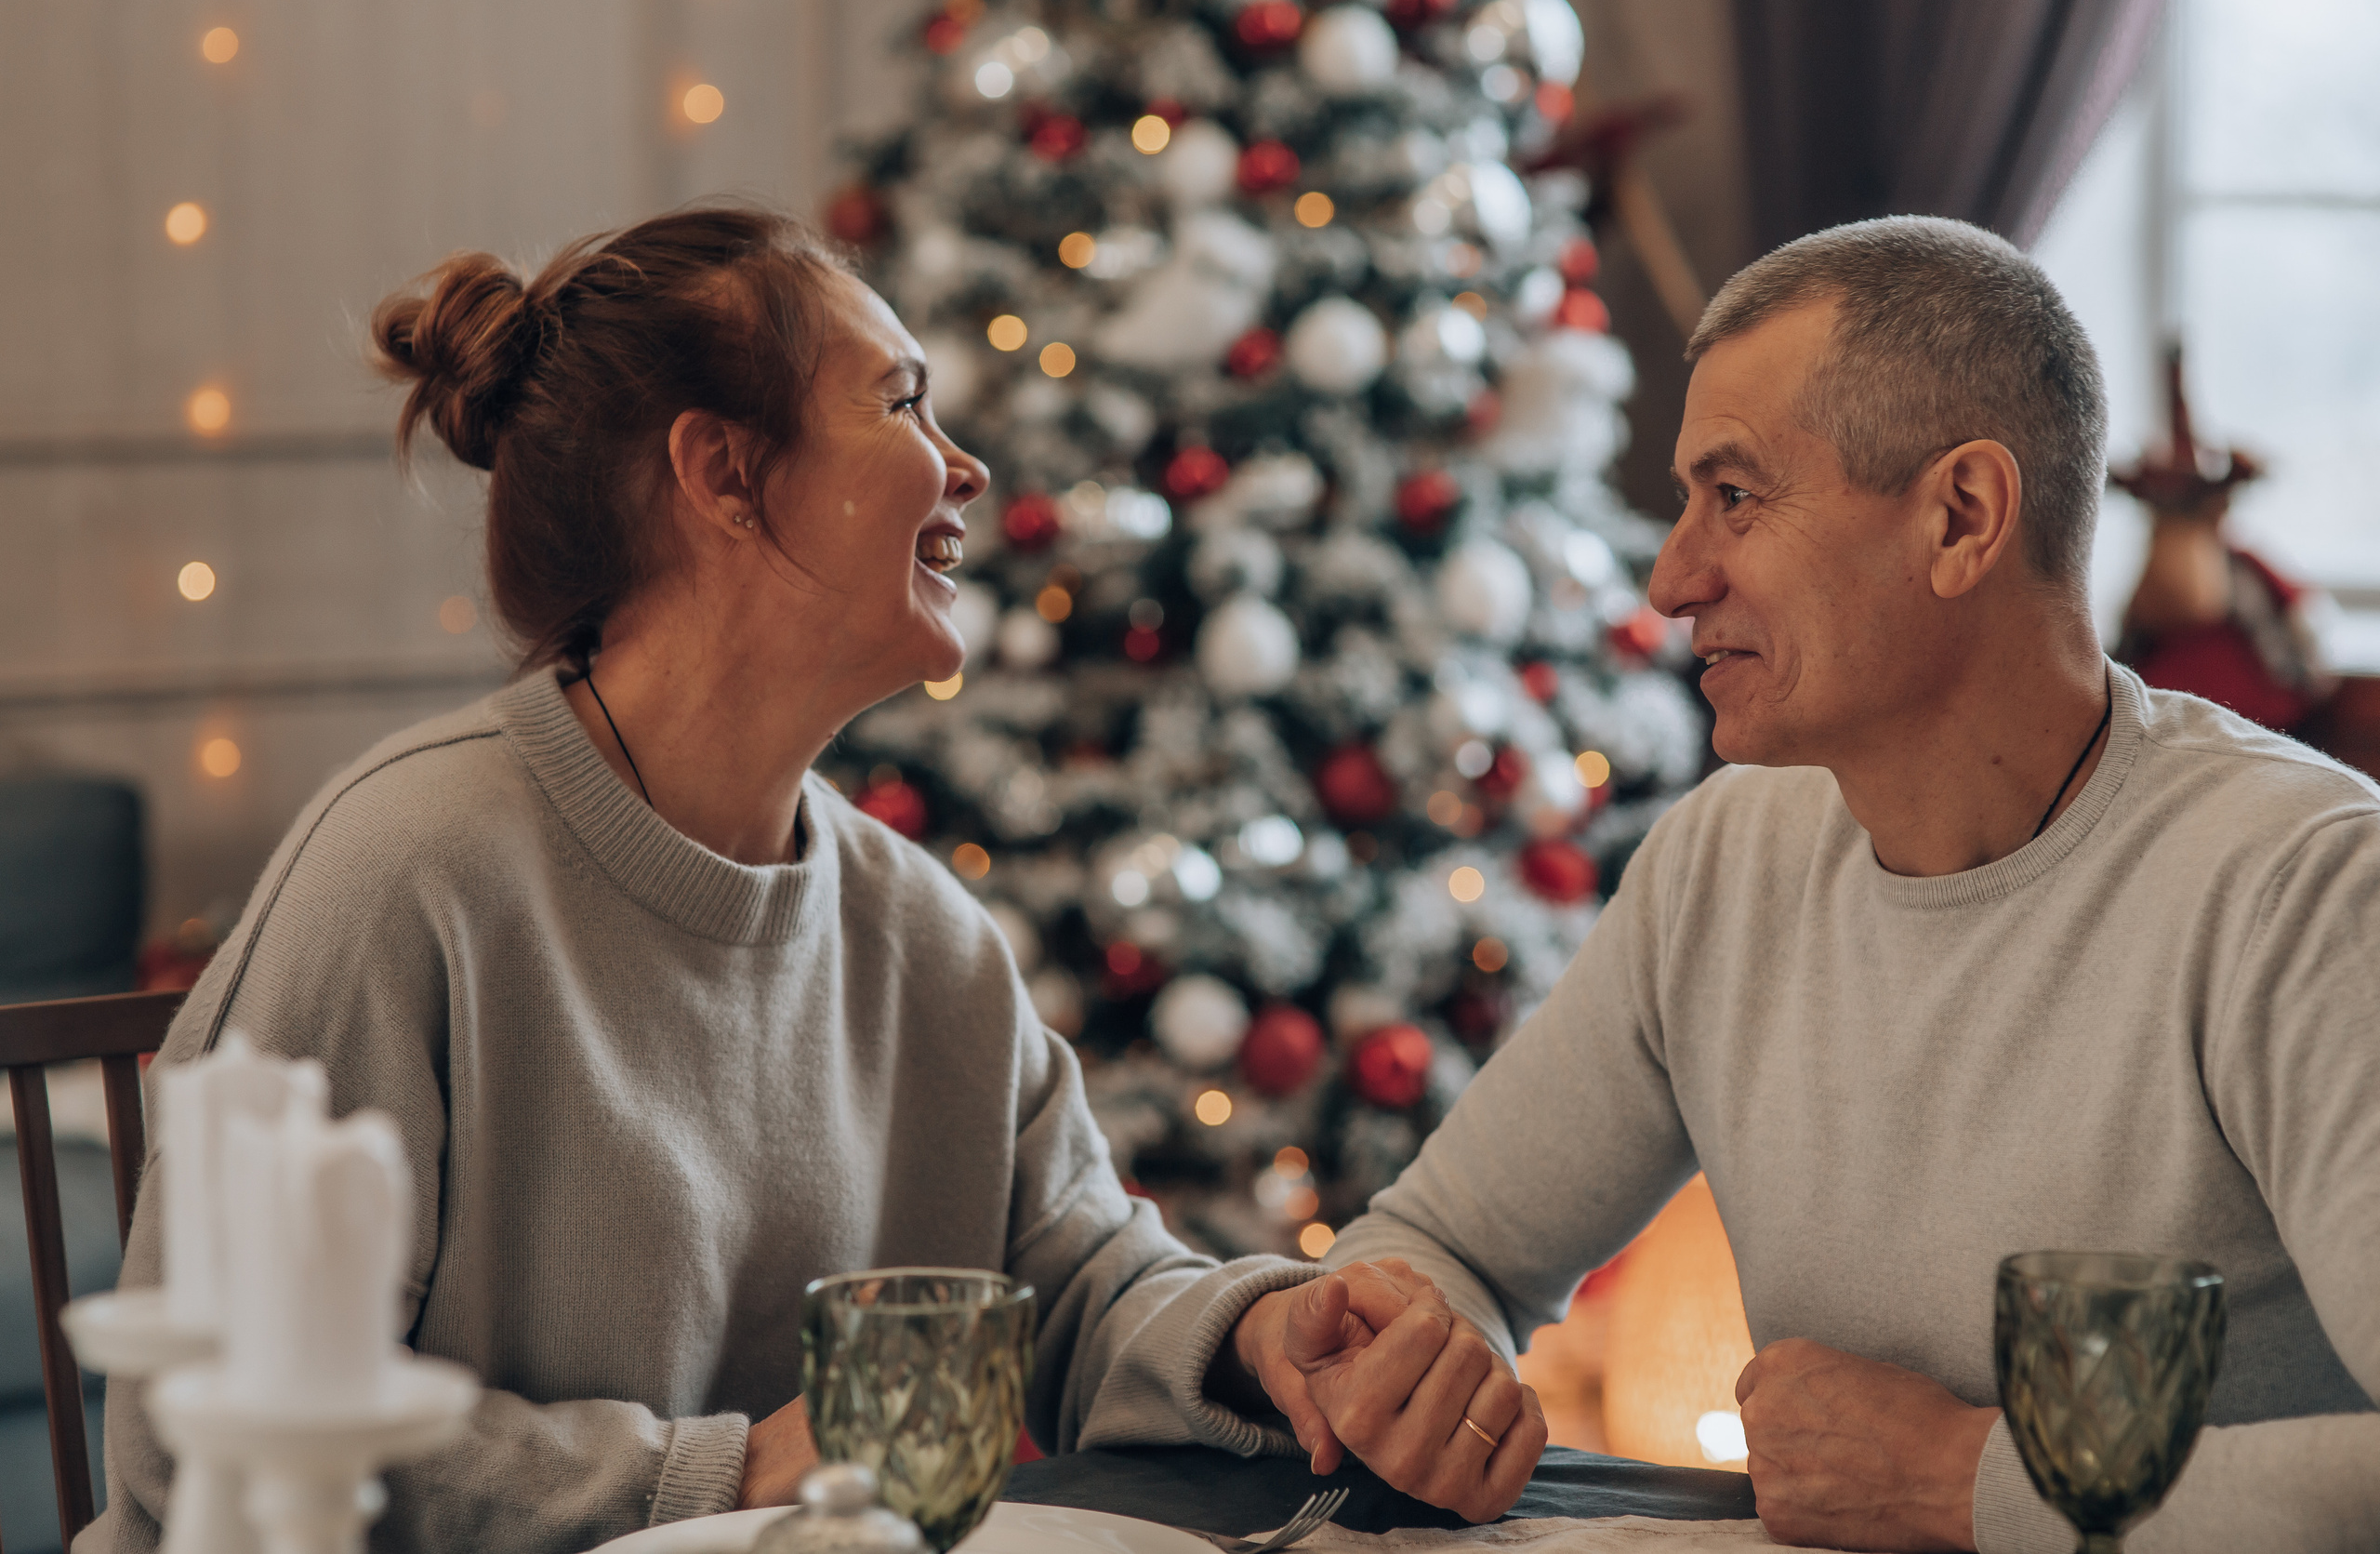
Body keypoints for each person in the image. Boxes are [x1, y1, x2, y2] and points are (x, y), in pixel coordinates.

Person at [86, 206, 1322, 1554]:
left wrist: (1264, 1336)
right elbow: (200, 1427)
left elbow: (1083, 1287)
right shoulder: (408, 872)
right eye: (902, 404)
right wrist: (722, 1477)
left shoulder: (925, 937)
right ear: (725, 473)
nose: (962, 466)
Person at [1209, 217, 2380, 1550]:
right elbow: (1443, 1243)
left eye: (1738, 497)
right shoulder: (1727, 856)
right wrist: (1408, 1346)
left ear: (1962, 517)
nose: (1671, 578)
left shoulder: (2308, 892)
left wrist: (1960, 1480)